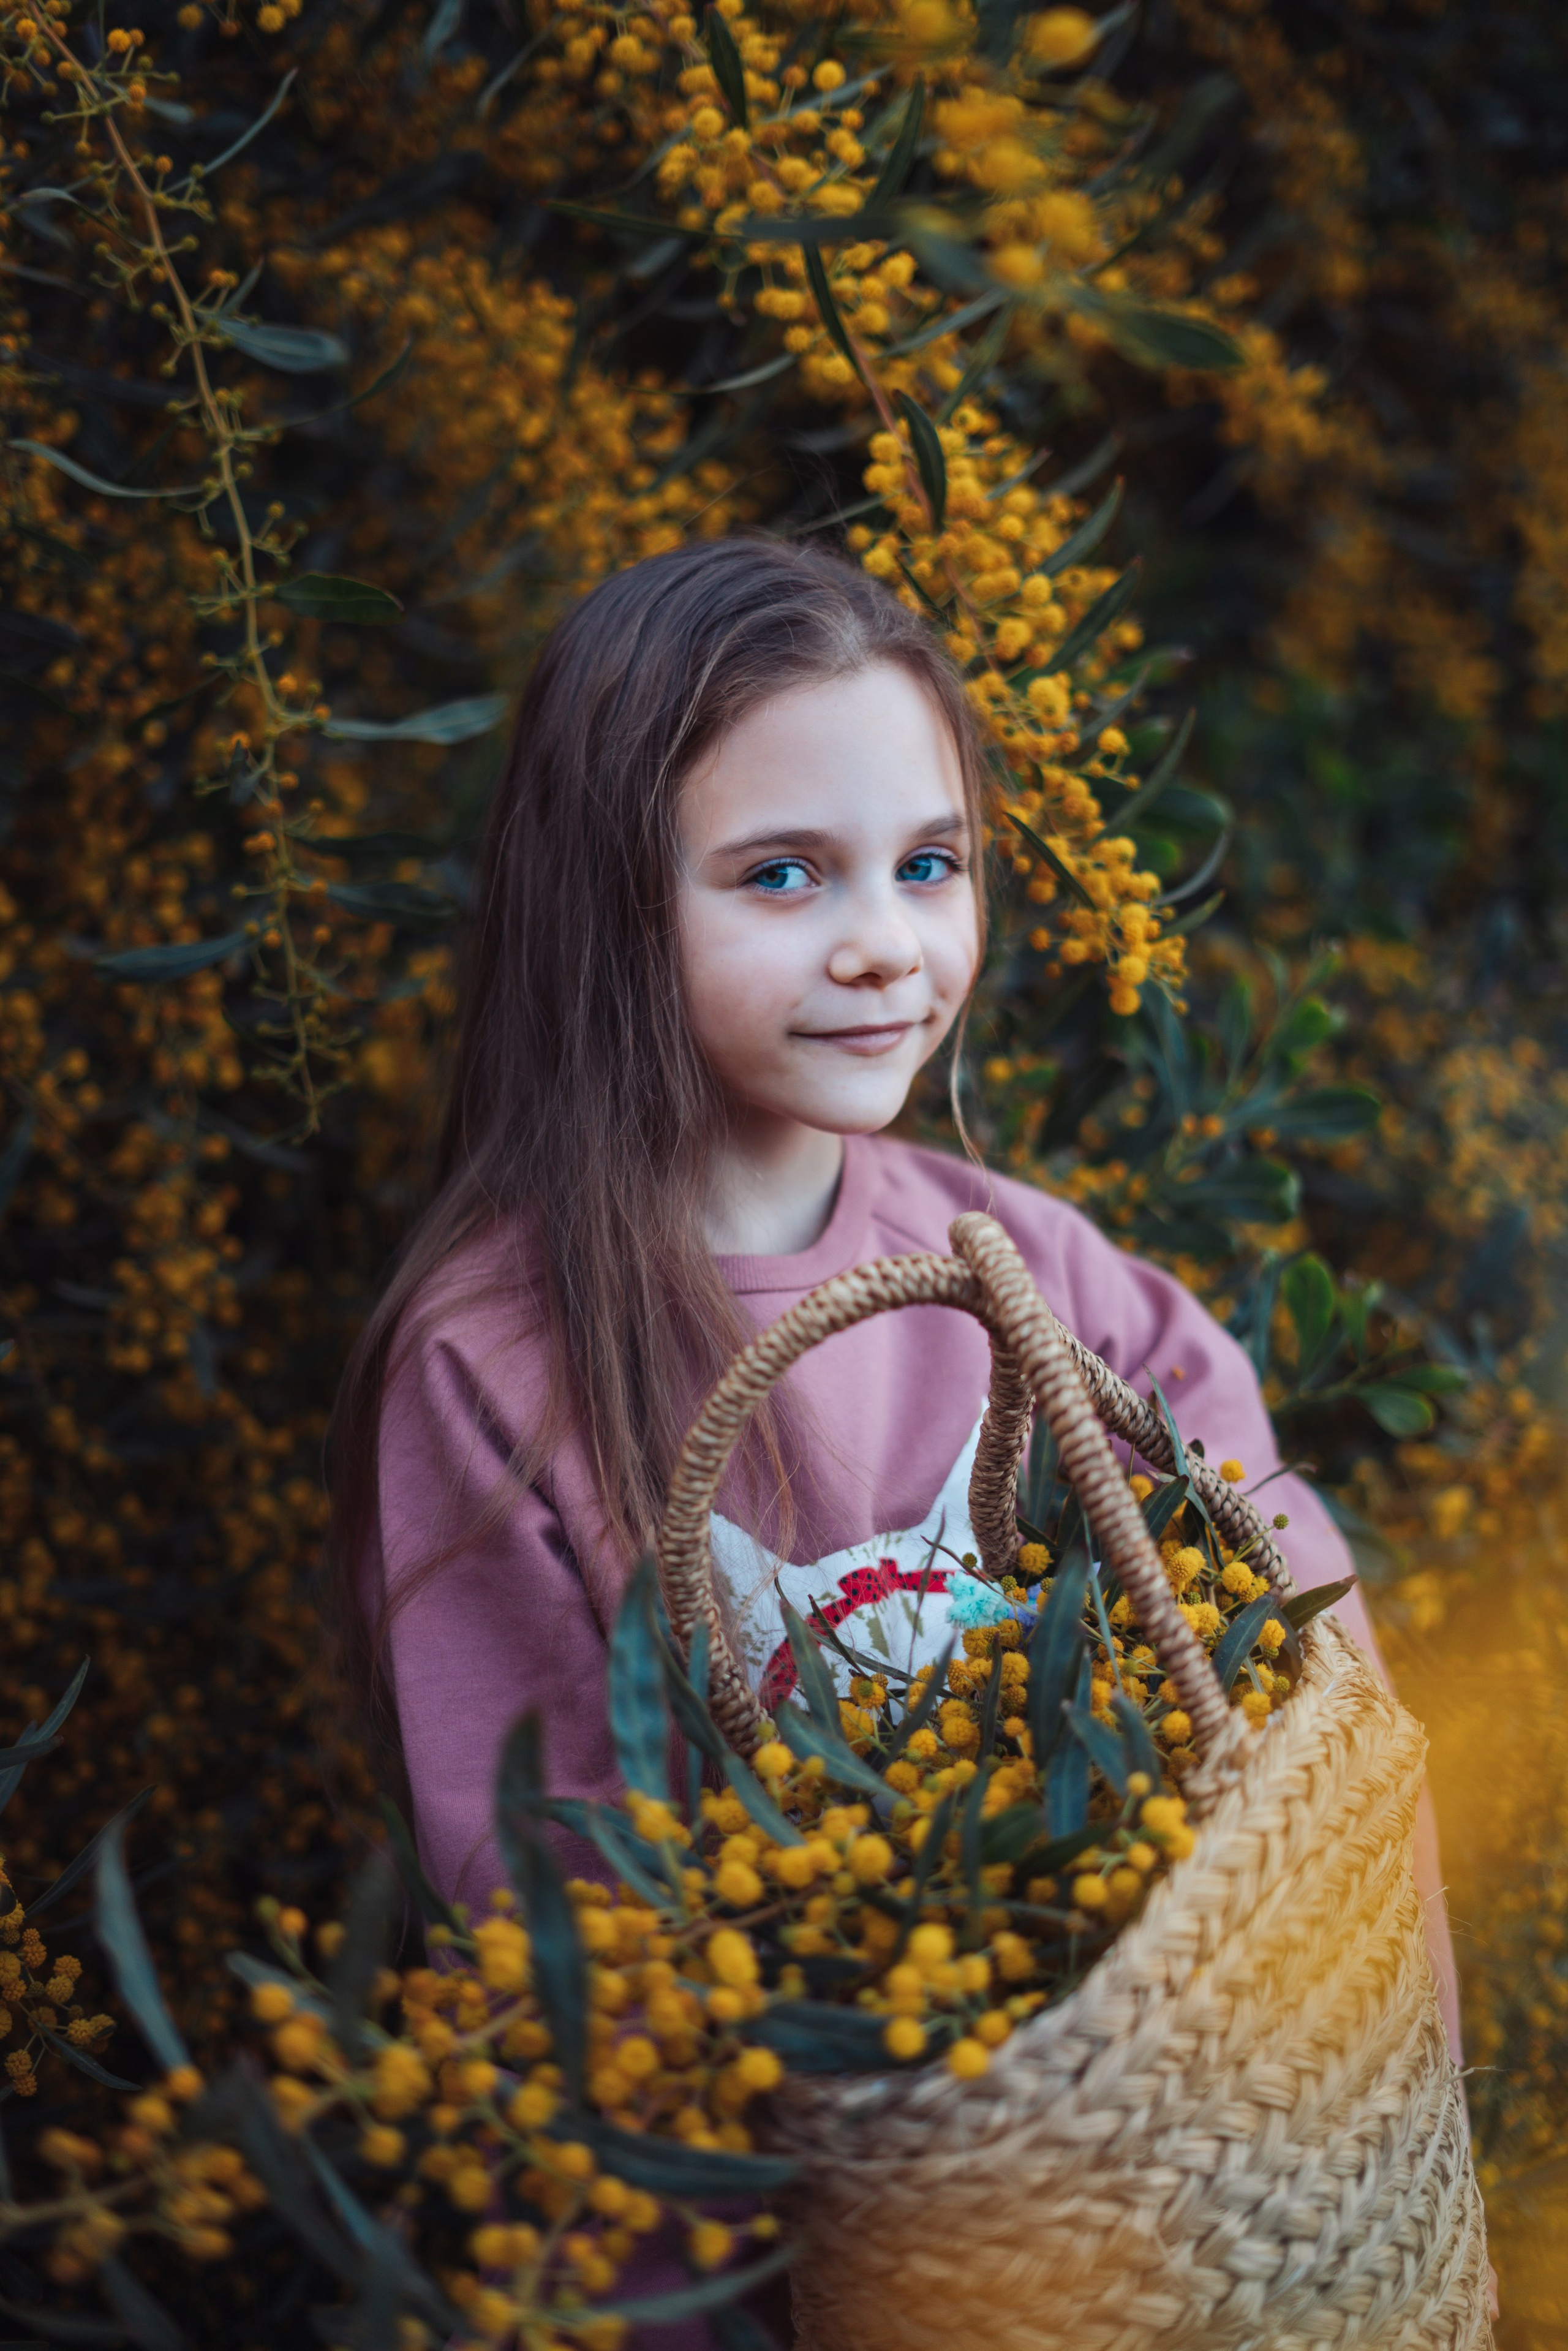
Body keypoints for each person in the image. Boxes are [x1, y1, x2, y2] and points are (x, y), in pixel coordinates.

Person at [326, 537, 1463, 2312]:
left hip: (1184, 2229)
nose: (885, 945)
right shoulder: (493, 1370)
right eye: (783, 875)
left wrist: (1379, 2123)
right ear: (610, 903)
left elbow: (1337, 1778)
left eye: (931, 865)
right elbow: (569, 1954)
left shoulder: (1058, 1288)